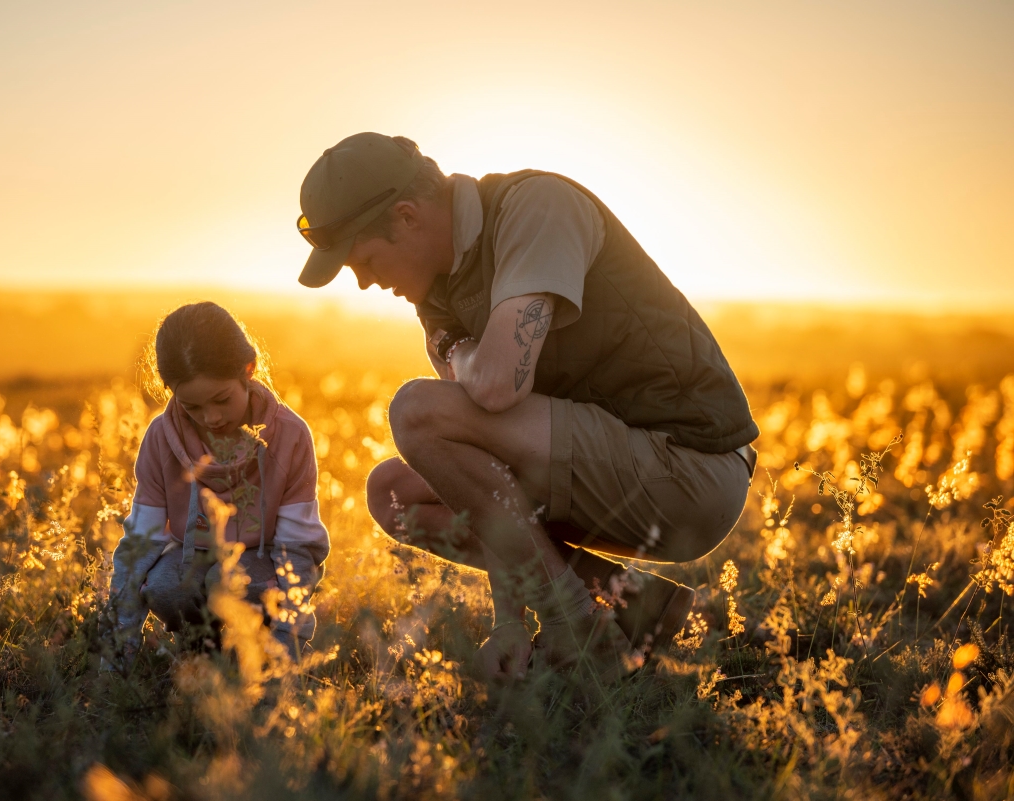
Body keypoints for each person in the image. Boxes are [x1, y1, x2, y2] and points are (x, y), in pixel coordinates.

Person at [294, 133, 758, 681]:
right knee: (394, 493)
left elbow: (494, 391)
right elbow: (488, 463)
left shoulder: (537, 208)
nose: (366, 282)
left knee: (417, 410)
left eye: (363, 260)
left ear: (408, 216)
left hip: (691, 470)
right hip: (606, 466)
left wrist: (456, 351)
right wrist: (506, 621)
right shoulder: (439, 296)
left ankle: (576, 626)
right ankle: (633, 603)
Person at [102, 302, 329, 671]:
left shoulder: (290, 435)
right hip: (193, 556)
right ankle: (200, 645)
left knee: (241, 583)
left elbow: (297, 547)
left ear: (248, 369)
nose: (212, 418)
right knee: (163, 585)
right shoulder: (161, 438)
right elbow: (140, 543)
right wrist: (117, 650)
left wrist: (289, 647)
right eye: (192, 406)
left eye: (222, 399)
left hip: (263, 560)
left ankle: (255, 650)